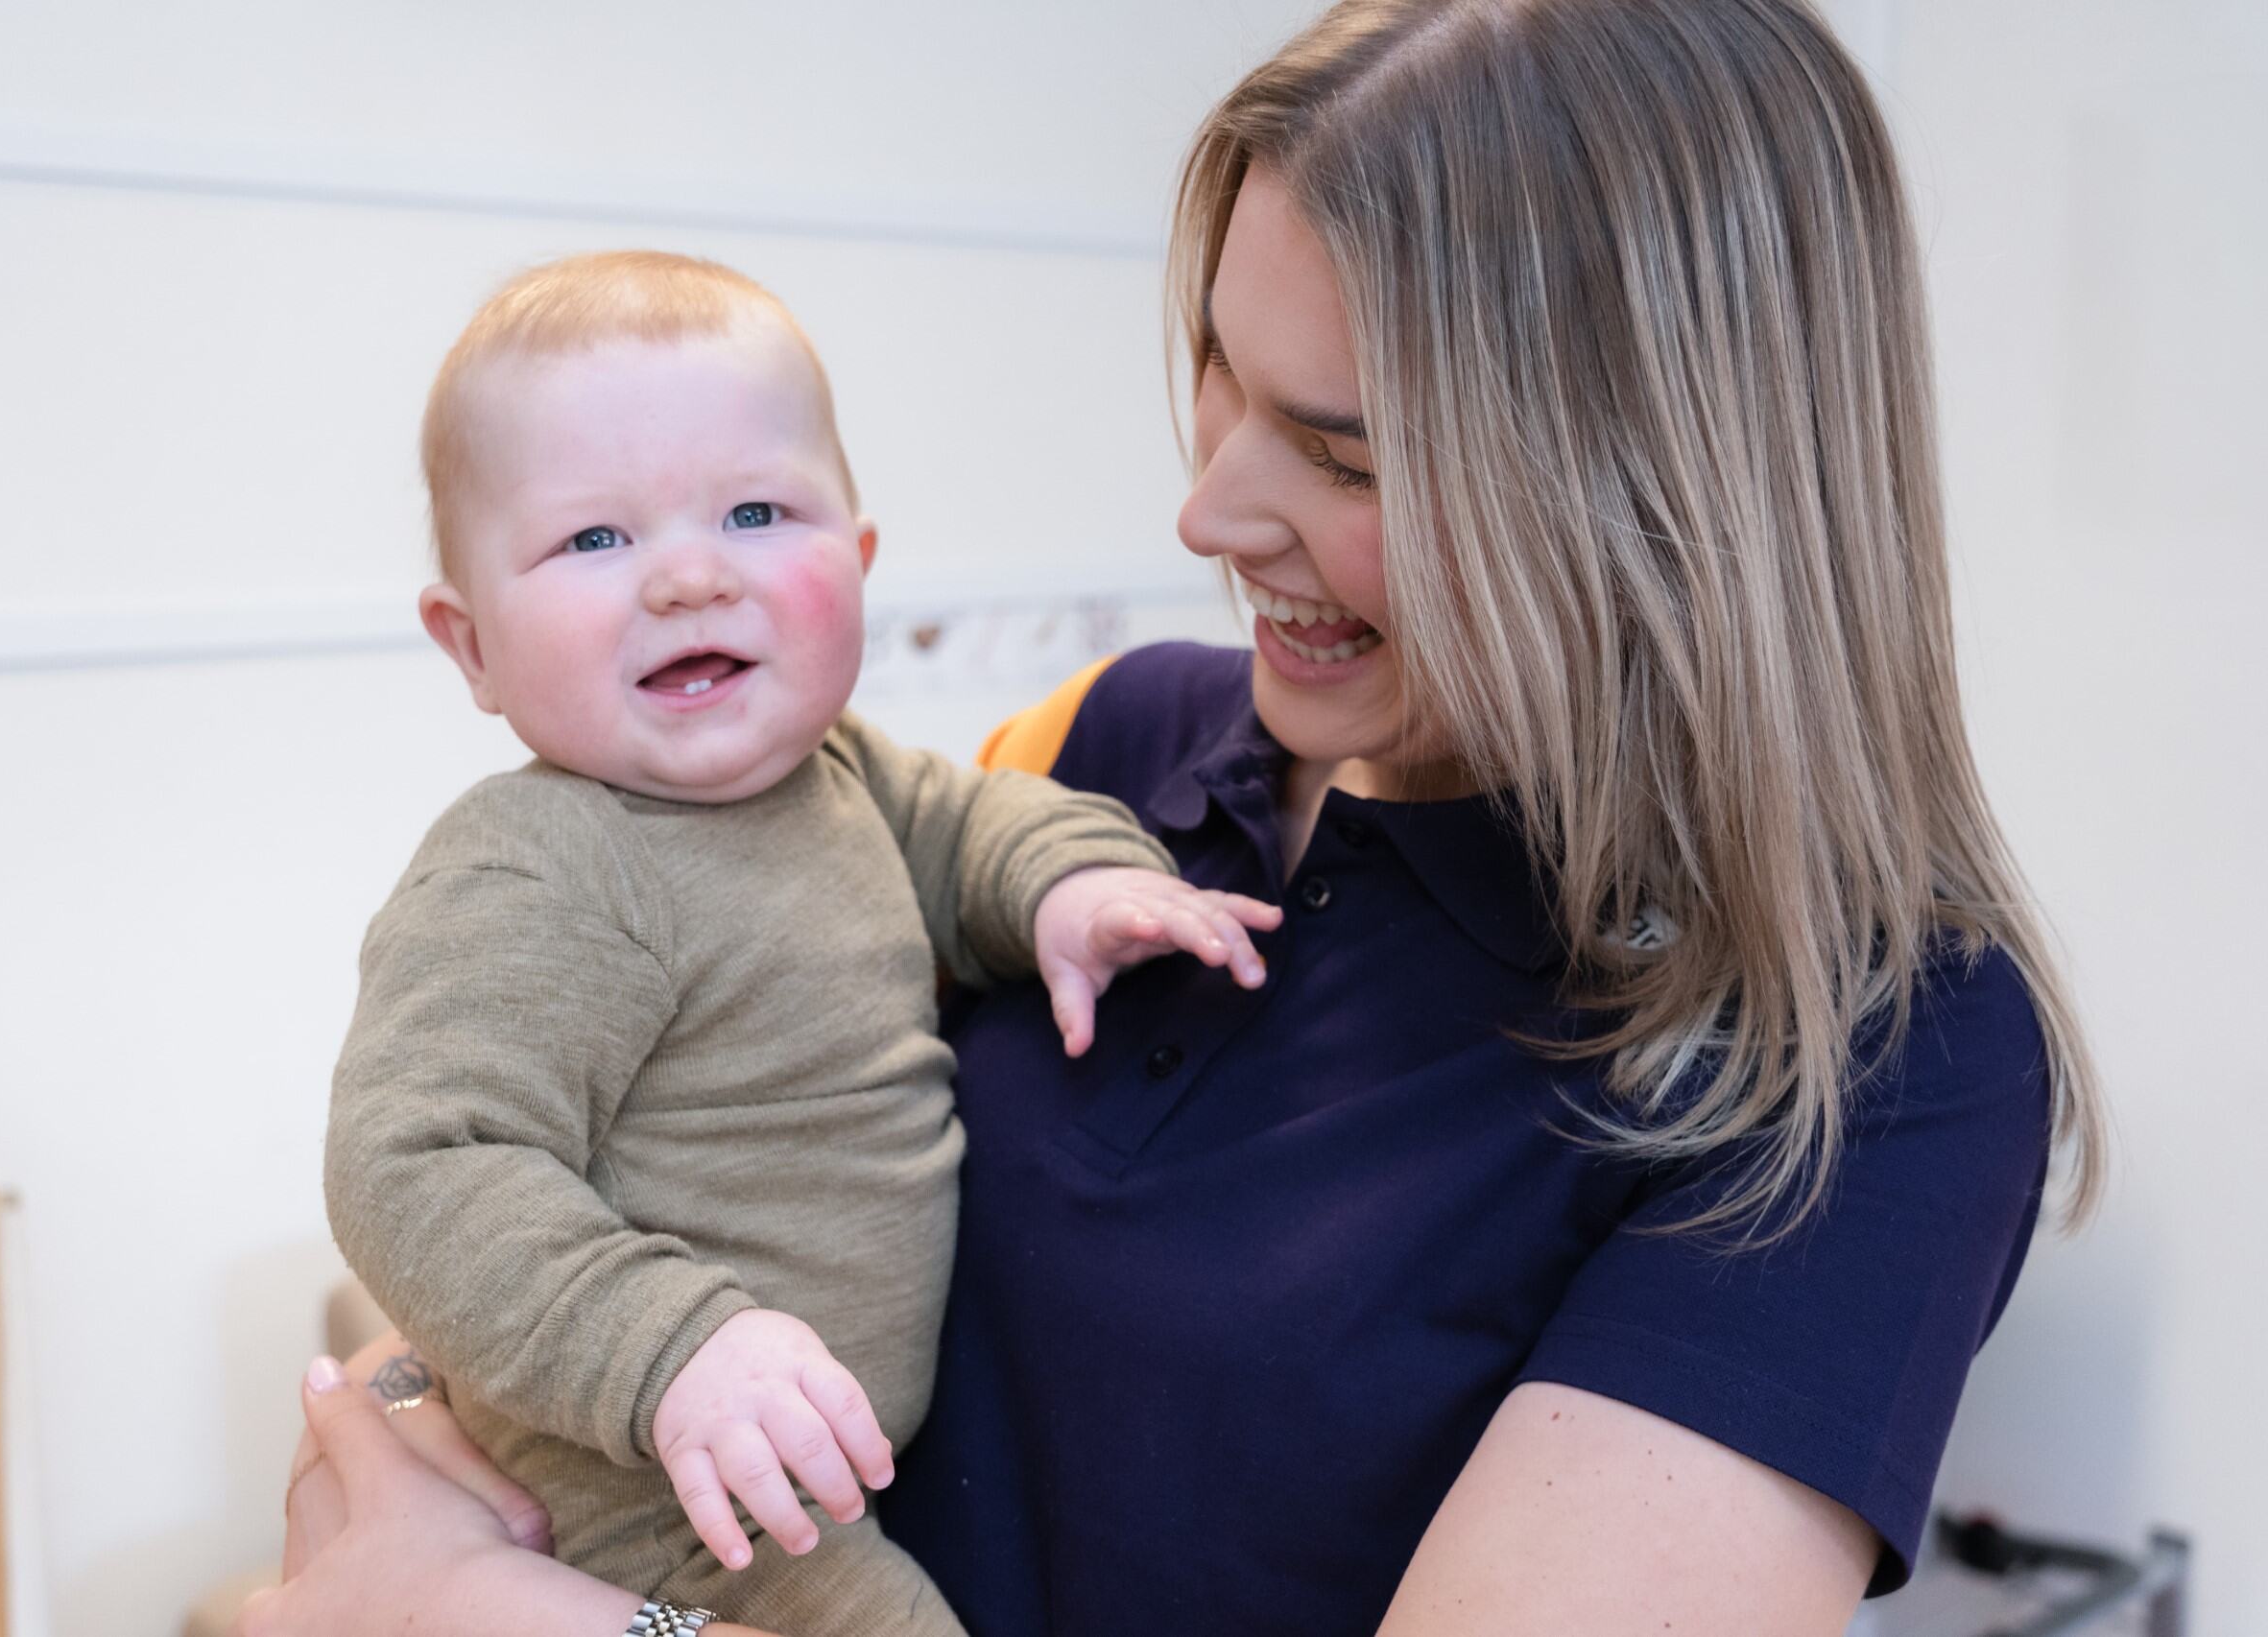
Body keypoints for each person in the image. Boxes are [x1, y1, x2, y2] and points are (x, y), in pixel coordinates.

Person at [247, 2, 2104, 1633]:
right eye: (1221, 369)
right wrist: (438, 1424)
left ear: (1662, 494)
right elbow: (593, 1161)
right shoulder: (1103, 749)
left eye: (1347, 449)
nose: (1208, 511)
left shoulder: (1867, 1057)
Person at [319, 250, 1281, 1637]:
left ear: (861, 562)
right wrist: (673, 1348)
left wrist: (1076, 886)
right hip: (660, 1498)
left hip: (797, 1471)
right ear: (469, 646)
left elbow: (975, 829)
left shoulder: (840, 776)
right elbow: (413, 1161)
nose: (691, 576)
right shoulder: (539, 863)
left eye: (758, 511)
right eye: (597, 539)